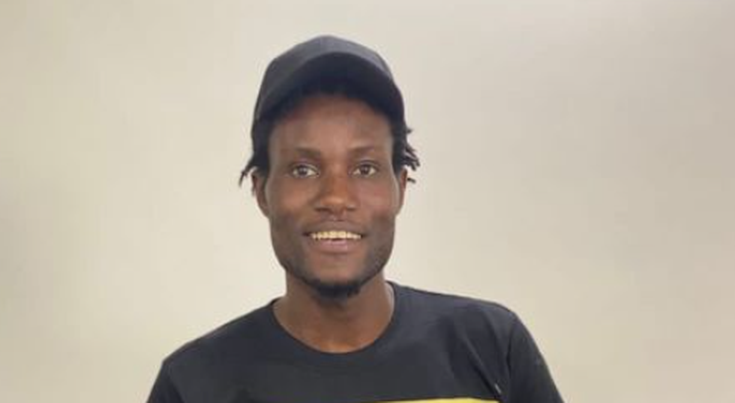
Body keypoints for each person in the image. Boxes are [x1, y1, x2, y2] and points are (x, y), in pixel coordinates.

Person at [146, 36, 563, 403]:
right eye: (303, 169)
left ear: (401, 187)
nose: (336, 197)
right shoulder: (195, 384)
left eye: (365, 168)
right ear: (261, 191)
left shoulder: (491, 347)